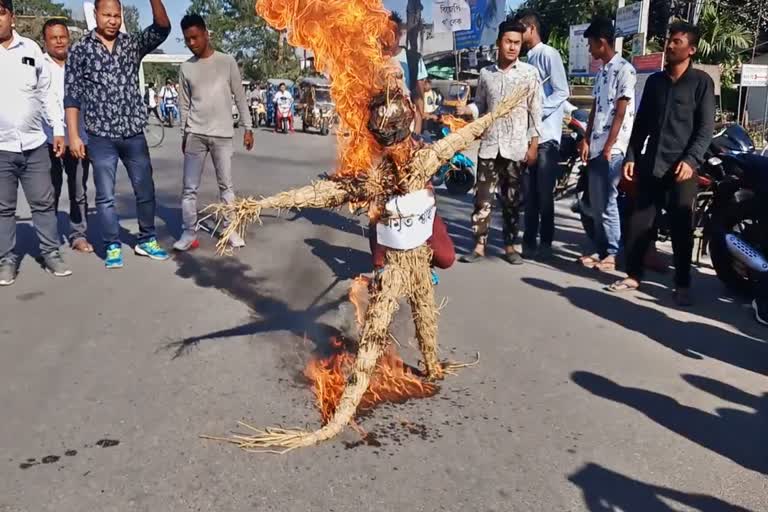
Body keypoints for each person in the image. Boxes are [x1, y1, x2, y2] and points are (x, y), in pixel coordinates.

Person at [608, 22, 715, 306]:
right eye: (669, 41)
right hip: (651, 165)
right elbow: (641, 125)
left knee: (681, 229)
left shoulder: (701, 83)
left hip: (682, 170)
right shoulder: (655, 82)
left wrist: (691, 161)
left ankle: (682, 284)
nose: (669, 45)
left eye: (677, 42)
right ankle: (633, 274)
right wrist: (631, 157)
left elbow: (705, 129)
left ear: (690, 49)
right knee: (639, 224)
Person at [65, 0, 172, 269]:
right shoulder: (80, 49)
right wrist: (74, 135)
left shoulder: (131, 45)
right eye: (107, 15)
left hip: (133, 133)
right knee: (105, 195)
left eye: (117, 15)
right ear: (95, 14)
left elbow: (162, 28)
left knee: (145, 189)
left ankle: (146, 239)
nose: (112, 20)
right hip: (100, 135)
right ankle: (112, 244)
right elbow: (72, 95)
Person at [455, 20, 541, 265]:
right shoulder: (486, 74)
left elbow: (535, 110)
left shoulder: (528, 74)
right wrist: (467, 109)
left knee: (512, 200)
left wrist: (533, 144)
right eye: (508, 42)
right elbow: (480, 103)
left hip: (515, 148)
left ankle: (510, 247)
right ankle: (479, 246)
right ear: (499, 43)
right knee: (482, 199)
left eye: (517, 43)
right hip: (490, 146)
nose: (513, 47)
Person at [0, 0, 72, 286]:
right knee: (3, 208)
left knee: (43, 202)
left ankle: (50, 253)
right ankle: (6, 259)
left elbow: (46, 95)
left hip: (34, 145)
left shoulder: (30, 50)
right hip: (1, 147)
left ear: (11, 17)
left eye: (0, 13)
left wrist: (57, 129)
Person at [174, 13, 254, 251]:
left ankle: (230, 231)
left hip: (222, 135)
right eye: (187, 39)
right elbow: (184, 104)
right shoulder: (186, 68)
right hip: (195, 134)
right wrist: (184, 134)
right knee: (189, 189)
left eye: (195, 37)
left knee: (226, 187)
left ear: (206, 34)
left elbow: (240, 97)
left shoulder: (226, 61)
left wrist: (248, 128)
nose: (192, 43)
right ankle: (188, 232)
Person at [577, 16, 635, 272]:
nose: (589, 49)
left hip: (613, 148)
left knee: (608, 201)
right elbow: (595, 109)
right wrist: (587, 139)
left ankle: (612, 252)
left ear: (602, 42)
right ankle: (601, 250)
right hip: (597, 145)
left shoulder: (625, 70)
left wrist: (610, 146)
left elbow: (620, 112)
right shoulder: (601, 73)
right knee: (595, 204)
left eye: (591, 44)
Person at [514, 9, 569, 259]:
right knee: (530, 194)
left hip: (547, 138)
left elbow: (561, 91)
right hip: (529, 138)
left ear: (531, 29)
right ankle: (529, 241)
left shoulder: (549, 54)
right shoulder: (526, 62)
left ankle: (546, 242)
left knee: (544, 194)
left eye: (521, 30)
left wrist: (538, 111)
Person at [42, 18, 94, 254]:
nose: (59, 41)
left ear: (68, 38)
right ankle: (49, 239)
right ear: (45, 42)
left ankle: (78, 235)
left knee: (78, 190)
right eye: (53, 38)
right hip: (48, 140)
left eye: (62, 36)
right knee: (50, 191)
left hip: (78, 138)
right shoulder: (39, 65)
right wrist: (57, 131)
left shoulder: (80, 64)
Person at [384, 12, 427, 134]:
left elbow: (419, 99)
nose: (388, 41)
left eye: (392, 36)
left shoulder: (413, 60)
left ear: (400, 34)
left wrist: (417, 132)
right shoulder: (375, 60)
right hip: (380, 129)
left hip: (407, 128)